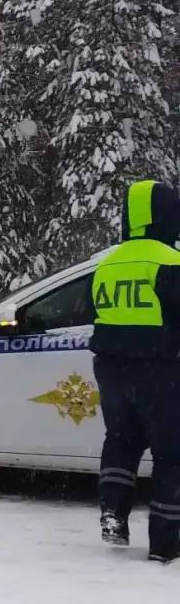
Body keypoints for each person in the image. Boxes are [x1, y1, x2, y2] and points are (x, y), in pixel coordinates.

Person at [90, 179, 180, 562]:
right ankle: (165, 542)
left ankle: (113, 513)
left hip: (111, 368)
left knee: (122, 440)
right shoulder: (171, 261)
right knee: (171, 453)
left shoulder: (107, 262)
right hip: (161, 368)